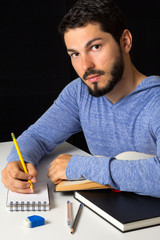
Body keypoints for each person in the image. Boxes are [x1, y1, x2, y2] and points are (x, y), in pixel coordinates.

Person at [2, 0, 160, 197]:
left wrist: (80, 166)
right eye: (75, 54)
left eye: (95, 47)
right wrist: (17, 161)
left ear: (125, 42)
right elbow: (38, 136)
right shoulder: (79, 93)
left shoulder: (156, 101)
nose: (85, 65)